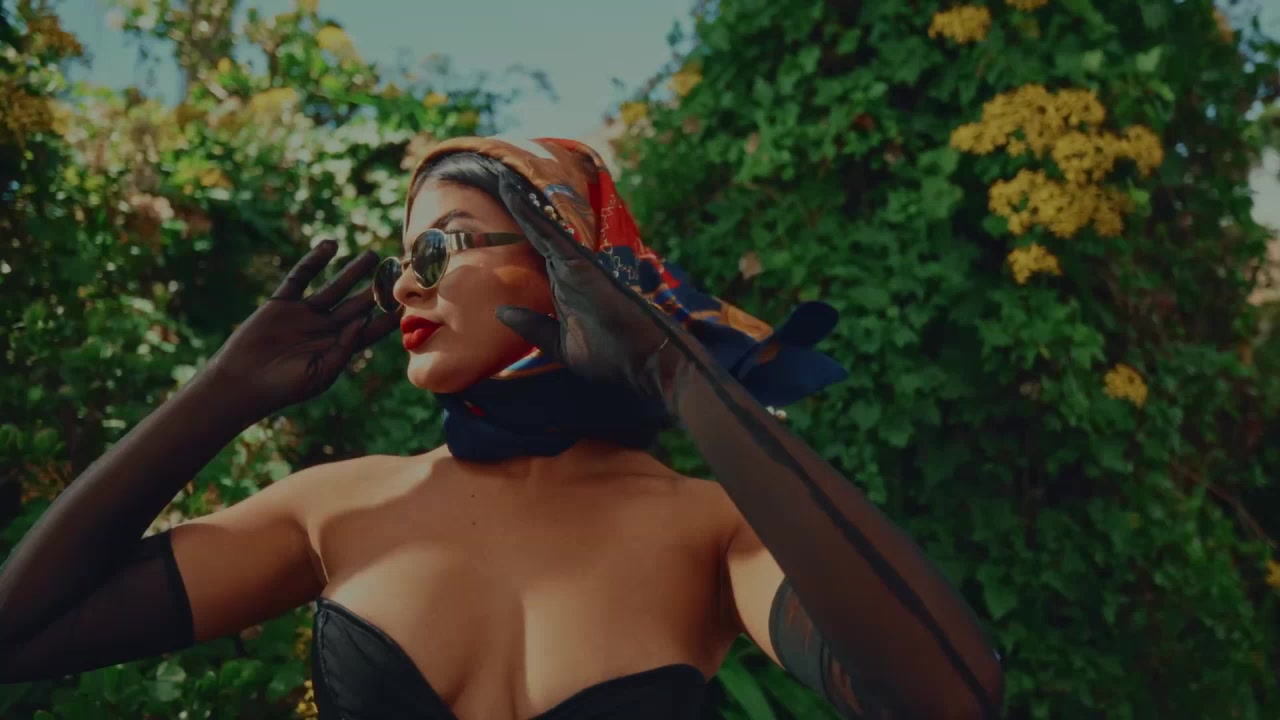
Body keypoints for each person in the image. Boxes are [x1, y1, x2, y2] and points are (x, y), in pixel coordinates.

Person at [0, 137, 1004, 720]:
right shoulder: (336, 507)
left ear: (568, 264)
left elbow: (945, 698)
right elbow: (19, 635)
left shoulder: (713, 528)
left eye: (438, 250)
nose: (405, 283)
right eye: (402, 261)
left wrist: (674, 369)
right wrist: (219, 395)